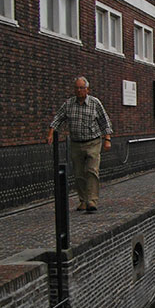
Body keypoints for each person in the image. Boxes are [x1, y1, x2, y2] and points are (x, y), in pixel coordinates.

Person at [47, 76, 113, 213]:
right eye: (76, 88)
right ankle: (83, 200)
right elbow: (58, 118)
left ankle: (92, 201)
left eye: (81, 88)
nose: (78, 90)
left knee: (91, 170)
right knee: (79, 174)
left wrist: (107, 139)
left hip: (93, 142)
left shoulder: (95, 103)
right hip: (76, 143)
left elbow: (104, 121)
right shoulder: (69, 104)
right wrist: (51, 133)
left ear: (87, 89)